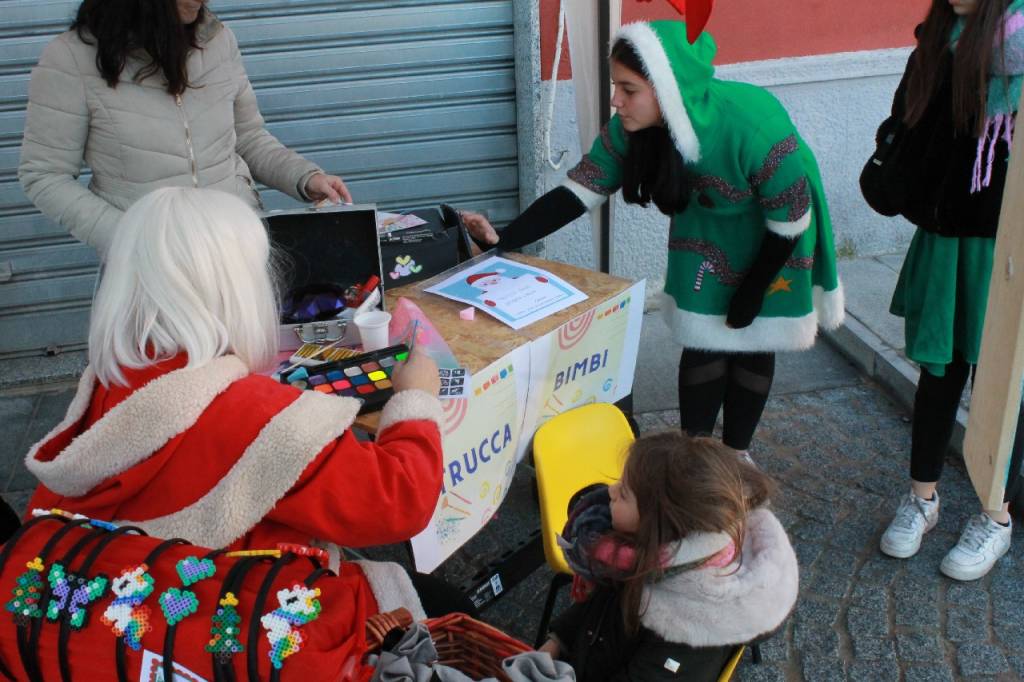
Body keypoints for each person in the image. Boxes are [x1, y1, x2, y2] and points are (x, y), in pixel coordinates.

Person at [20, 187, 450, 665]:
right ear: (240, 286)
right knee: (445, 602)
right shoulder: (253, 416)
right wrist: (415, 399)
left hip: (115, 627)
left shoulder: (109, 380)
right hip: (241, 632)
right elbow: (399, 501)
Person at [462, 20, 843, 461]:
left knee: (753, 338)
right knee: (703, 340)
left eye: (628, 88)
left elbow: (790, 219)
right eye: (614, 86)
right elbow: (575, 195)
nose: (615, 100)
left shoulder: (753, 123)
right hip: (706, 226)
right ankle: (694, 457)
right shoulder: (630, 128)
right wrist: (503, 240)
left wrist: (755, 289)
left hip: (774, 231)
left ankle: (738, 456)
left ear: (667, 87)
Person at [873, 0, 1023, 580]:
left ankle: (996, 514)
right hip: (944, 235)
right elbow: (904, 126)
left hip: (1004, 245)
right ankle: (922, 499)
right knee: (939, 374)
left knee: (1004, 382)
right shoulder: (937, 40)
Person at [18, 0, 352, 258]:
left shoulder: (218, 41)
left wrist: (304, 177)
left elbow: (247, 137)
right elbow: (45, 176)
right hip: (150, 269)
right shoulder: (70, 59)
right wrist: (129, 237)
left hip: (237, 247)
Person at [539, 432, 797, 681]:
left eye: (625, 493)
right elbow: (601, 602)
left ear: (660, 522)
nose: (611, 491)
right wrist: (558, 640)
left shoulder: (685, 626)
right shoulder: (643, 558)